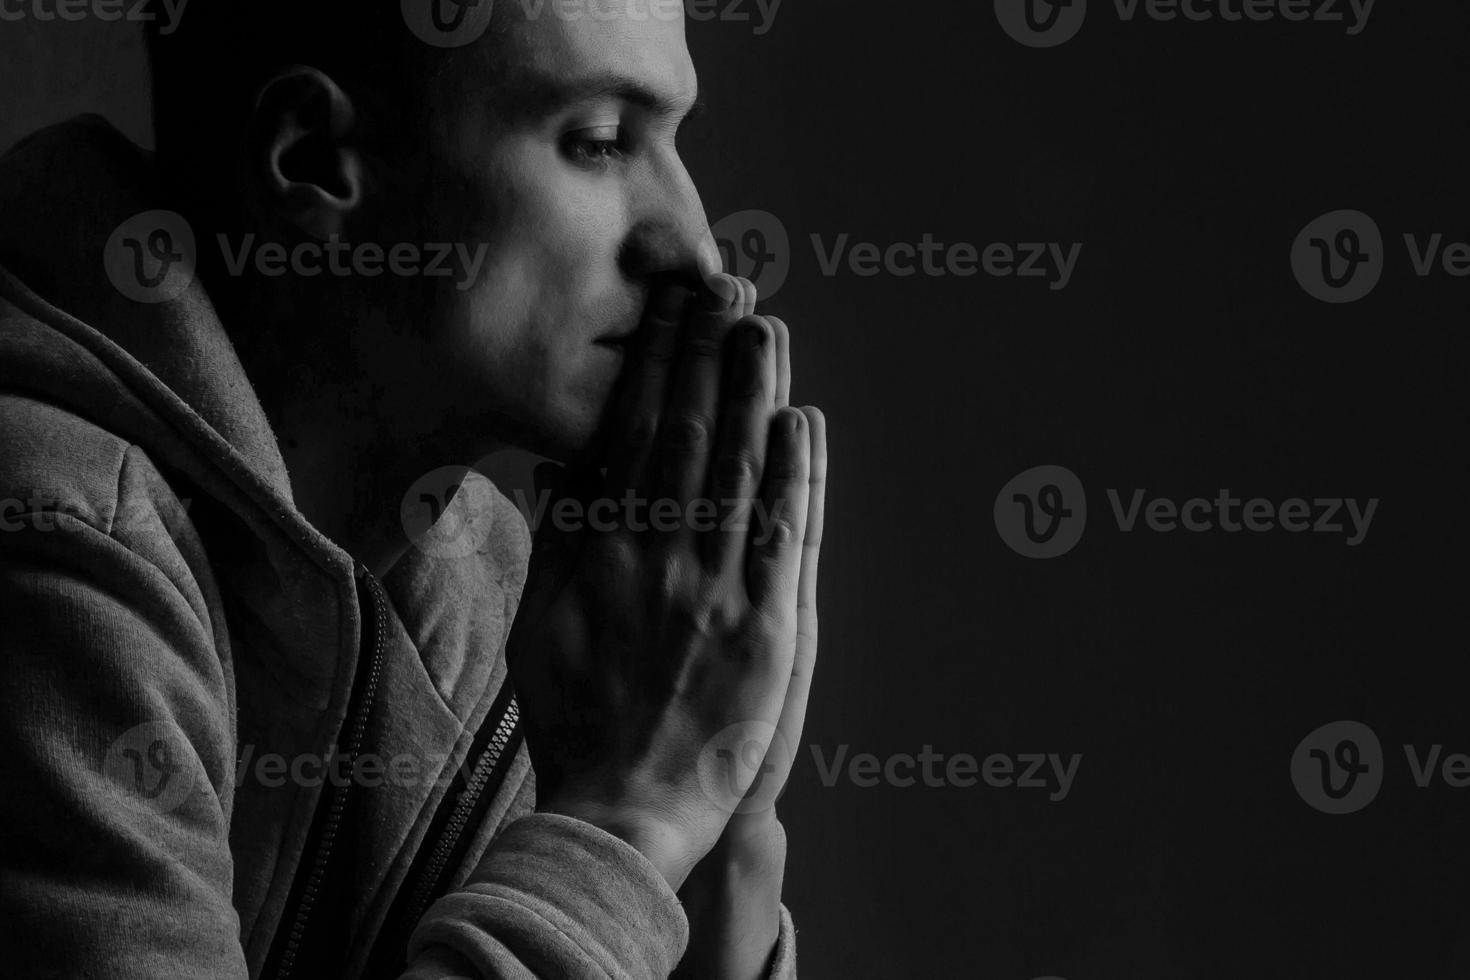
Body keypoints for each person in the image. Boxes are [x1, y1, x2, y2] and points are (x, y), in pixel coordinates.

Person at [0, 2, 828, 977]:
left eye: (670, 140)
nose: (691, 246)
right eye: (599, 143)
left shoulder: (502, 592)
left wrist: (721, 824)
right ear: (313, 163)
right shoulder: (53, 534)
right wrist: (629, 813)